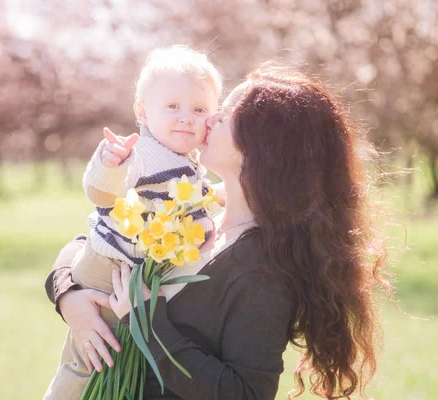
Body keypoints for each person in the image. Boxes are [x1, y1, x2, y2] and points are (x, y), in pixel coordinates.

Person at [45, 63, 392, 399]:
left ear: (258, 149)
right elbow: (91, 239)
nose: (206, 119)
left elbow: (245, 393)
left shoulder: (263, 271)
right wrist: (69, 295)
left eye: (223, 116)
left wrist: (148, 324)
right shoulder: (202, 207)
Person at [43, 45, 222, 399]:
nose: (186, 117)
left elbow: (190, 206)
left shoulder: (187, 163)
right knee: (89, 358)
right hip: (106, 265)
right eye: (172, 106)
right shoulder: (140, 152)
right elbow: (100, 193)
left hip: (130, 273)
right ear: (142, 111)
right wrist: (110, 164)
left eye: (198, 109)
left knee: (110, 358)